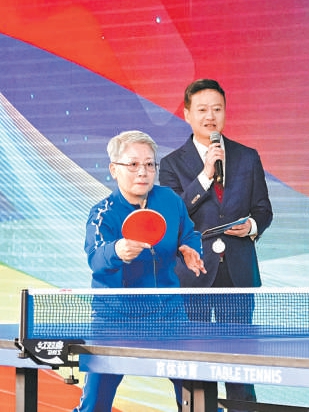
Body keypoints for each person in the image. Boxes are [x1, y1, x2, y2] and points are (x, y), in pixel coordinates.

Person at [159, 78, 273, 411]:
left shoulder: (247, 157)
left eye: (217, 109)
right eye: (203, 110)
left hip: (237, 274)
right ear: (187, 114)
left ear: (225, 112)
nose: (211, 116)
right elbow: (173, 216)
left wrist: (252, 226)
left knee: (240, 364)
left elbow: (263, 209)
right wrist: (206, 175)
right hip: (193, 275)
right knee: (194, 364)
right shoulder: (172, 164)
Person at [74, 130, 206, 412]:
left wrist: (189, 248)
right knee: (94, 405)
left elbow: (189, 233)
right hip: (115, 321)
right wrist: (117, 251)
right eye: (133, 164)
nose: (143, 172)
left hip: (168, 317)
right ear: (114, 169)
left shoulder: (170, 200)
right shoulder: (103, 213)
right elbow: (96, 257)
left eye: (149, 164)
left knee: (198, 400)